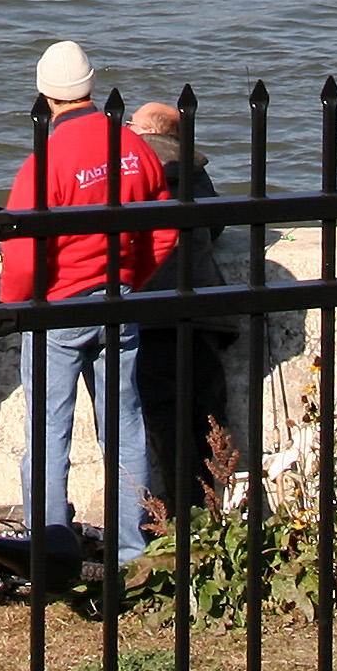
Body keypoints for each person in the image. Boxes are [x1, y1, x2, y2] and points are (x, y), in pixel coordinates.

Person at [0, 40, 175, 568]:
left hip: (59, 308)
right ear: (91, 88)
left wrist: (17, 302)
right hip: (118, 303)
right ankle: (130, 547)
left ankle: (47, 545)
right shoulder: (132, 146)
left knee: (49, 430)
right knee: (125, 426)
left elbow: (23, 249)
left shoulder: (46, 162)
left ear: (45, 96)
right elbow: (165, 226)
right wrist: (131, 278)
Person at [129, 102, 229, 516]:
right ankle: (215, 503)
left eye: (131, 123)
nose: (125, 128)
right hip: (205, 308)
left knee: (165, 415)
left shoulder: (132, 167)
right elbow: (217, 223)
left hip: (152, 309)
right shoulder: (195, 169)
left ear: (149, 131)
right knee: (208, 410)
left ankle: (183, 510)